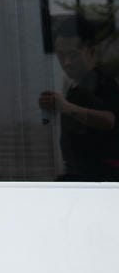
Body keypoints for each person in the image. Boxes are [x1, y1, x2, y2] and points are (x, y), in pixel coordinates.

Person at [40, 14, 119, 181]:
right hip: (81, 178)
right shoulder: (76, 84)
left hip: (100, 181)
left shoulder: (101, 81)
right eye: (61, 55)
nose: (66, 62)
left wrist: (66, 107)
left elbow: (109, 119)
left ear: (91, 52)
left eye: (73, 55)